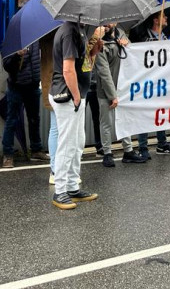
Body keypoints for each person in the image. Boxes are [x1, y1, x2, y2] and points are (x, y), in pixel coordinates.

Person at [49, 21, 99, 209]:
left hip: (77, 95)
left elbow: (83, 65)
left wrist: (93, 53)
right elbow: (68, 69)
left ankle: (71, 186)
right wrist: (77, 97)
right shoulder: (69, 32)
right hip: (69, 95)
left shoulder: (79, 30)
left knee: (77, 142)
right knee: (67, 142)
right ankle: (60, 191)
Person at [96, 24, 147, 166]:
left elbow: (133, 57)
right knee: (106, 122)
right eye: (105, 21)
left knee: (125, 120)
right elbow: (103, 71)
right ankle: (107, 153)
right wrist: (112, 95)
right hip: (106, 90)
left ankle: (128, 151)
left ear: (116, 22)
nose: (107, 24)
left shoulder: (121, 35)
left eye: (110, 21)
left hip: (123, 88)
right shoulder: (99, 42)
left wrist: (127, 45)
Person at [134, 13, 170, 157]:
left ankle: (162, 144)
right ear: (155, 20)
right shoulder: (144, 38)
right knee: (145, 115)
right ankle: (143, 148)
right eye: (163, 17)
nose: (166, 19)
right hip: (147, 84)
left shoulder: (165, 37)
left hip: (162, 83)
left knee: (161, 113)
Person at [1, 41, 48, 168]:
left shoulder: (38, 41)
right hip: (16, 86)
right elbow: (6, 65)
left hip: (33, 85)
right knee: (12, 120)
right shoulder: (12, 41)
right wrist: (17, 55)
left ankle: (36, 150)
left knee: (34, 119)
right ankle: (8, 154)